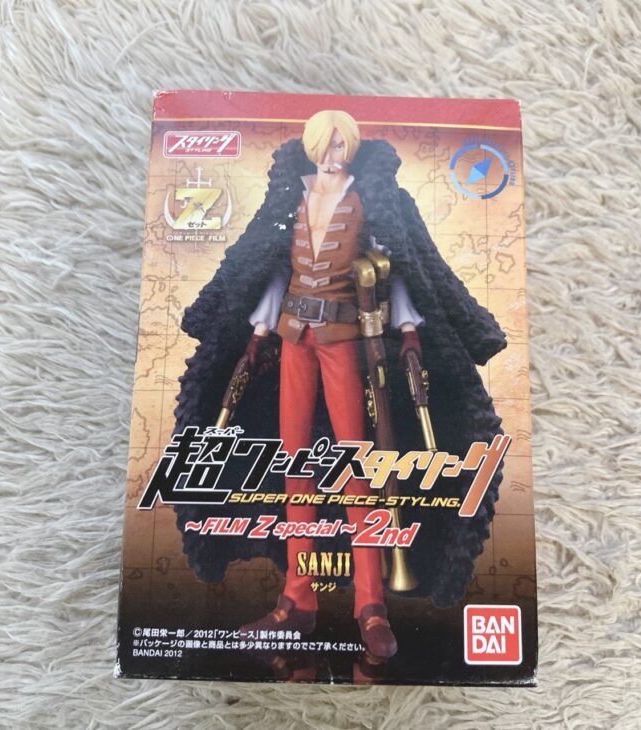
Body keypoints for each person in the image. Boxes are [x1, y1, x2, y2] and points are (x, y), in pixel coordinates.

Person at [174, 109, 507, 660]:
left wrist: (409, 329)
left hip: (344, 341)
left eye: (342, 145)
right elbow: (272, 269)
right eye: (326, 145)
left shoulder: (374, 200)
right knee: (294, 467)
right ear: (312, 147)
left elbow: (401, 266)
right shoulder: (291, 197)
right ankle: (295, 601)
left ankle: (370, 605)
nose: (334, 155)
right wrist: (256, 333)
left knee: (358, 469)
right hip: (293, 339)